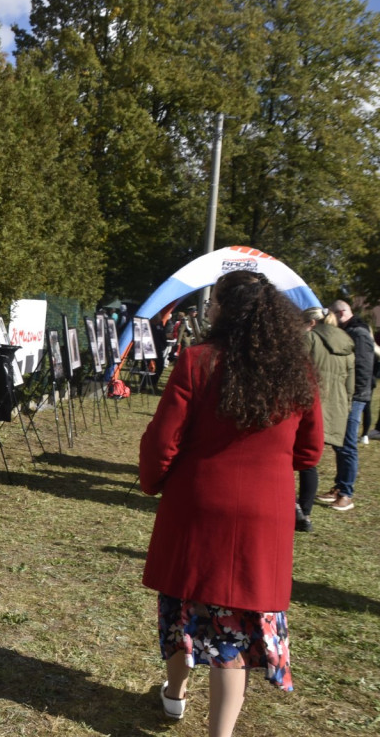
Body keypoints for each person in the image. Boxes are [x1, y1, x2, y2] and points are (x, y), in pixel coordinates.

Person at [139, 270, 322, 737]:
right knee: (235, 631)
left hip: (198, 506)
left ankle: (175, 693)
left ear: (222, 308)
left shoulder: (198, 360)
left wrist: (152, 481)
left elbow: (163, 439)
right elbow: (310, 451)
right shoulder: (297, 370)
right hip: (265, 514)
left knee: (183, 608)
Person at [297, 308, 354, 532]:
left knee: (296, 458)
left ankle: (297, 509)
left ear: (311, 322)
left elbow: (296, 370)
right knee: (311, 462)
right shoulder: (348, 342)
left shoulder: (309, 338)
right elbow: (351, 383)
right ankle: (306, 512)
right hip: (336, 406)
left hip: (310, 403)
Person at [317, 300, 374, 511]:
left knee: (348, 443)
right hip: (347, 395)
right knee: (340, 443)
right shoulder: (351, 330)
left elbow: (363, 368)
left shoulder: (358, 333)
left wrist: (353, 397)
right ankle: (339, 487)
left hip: (354, 397)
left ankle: (346, 493)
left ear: (340, 313)